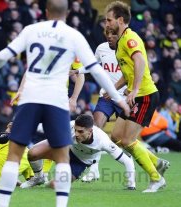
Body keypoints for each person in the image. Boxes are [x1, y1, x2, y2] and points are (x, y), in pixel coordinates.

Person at [0, 0, 130, 206]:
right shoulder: (73, 36)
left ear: (46, 11)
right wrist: (119, 98)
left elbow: (5, 54)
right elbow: (95, 70)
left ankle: (3, 204)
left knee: (14, 156)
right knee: (63, 159)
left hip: (31, 97)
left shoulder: (32, 30)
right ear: (67, 13)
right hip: (56, 102)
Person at [79, 28, 169, 182]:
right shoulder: (102, 48)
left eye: (113, 34)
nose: (110, 37)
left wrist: (132, 89)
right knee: (95, 128)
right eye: (107, 34)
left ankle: (154, 164)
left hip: (126, 98)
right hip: (107, 97)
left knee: (125, 139)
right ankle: (94, 169)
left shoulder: (127, 47)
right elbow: (93, 65)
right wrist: (78, 70)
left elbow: (135, 69)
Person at [105, 1, 166, 193]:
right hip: (135, 95)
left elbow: (139, 60)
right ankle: (156, 161)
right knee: (115, 137)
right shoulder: (121, 40)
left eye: (109, 20)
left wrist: (134, 89)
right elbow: (128, 71)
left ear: (120, 20)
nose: (106, 24)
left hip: (145, 95)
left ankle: (156, 179)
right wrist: (113, 89)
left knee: (128, 140)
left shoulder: (130, 38)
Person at [21, 114, 136, 190]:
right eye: (76, 130)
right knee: (32, 153)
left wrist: (131, 185)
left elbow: (127, 161)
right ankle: (38, 177)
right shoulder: (71, 127)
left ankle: (49, 182)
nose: (76, 134)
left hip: (80, 162)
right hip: (65, 150)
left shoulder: (103, 141)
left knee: (54, 185)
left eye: (81, 132)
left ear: (90, 131)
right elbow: (48, 127)